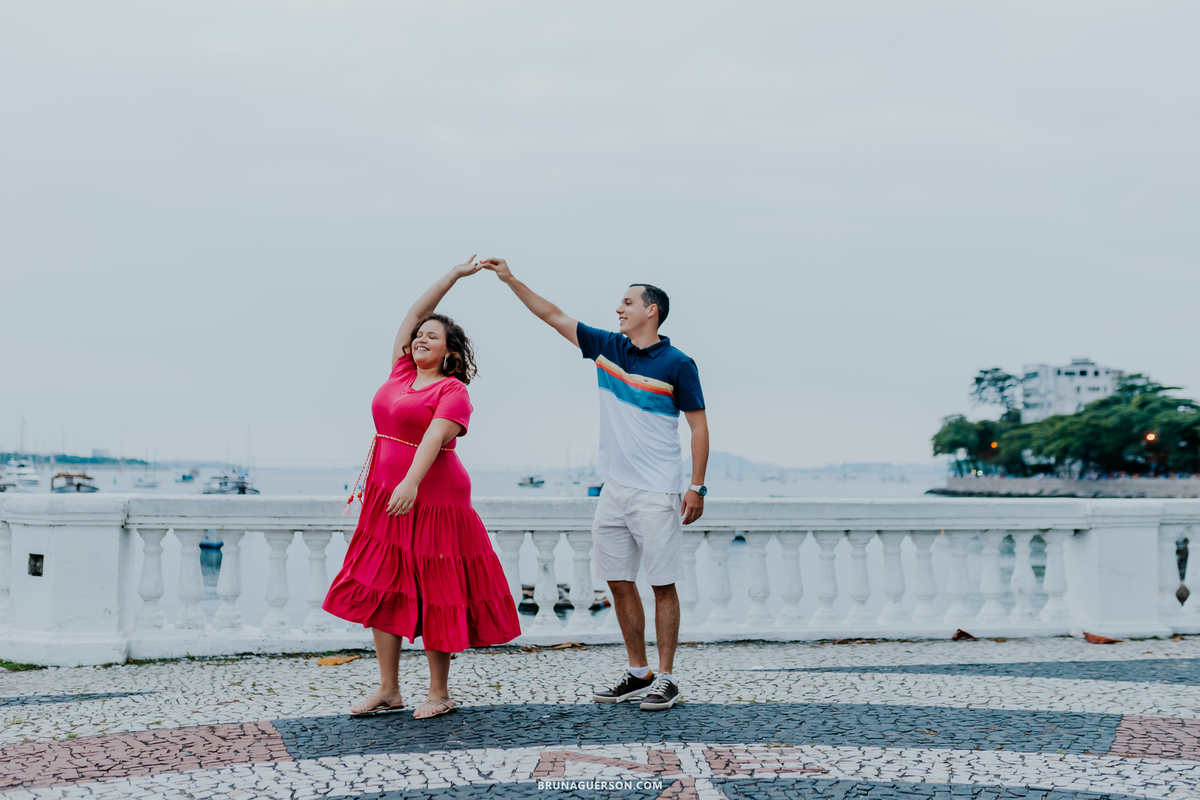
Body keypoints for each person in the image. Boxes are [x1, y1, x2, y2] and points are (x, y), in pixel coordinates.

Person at [480, 257, 708, 712]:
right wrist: (509, 279)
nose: (618, 309)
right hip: (614, 491)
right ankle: (638, 670)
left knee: (662, 584)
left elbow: (699, 428)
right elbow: (552, 315)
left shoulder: (678, 364)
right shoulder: (606, 348)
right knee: (619, 582)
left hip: (657, 491)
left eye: (627, 302)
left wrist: (696, 488)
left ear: (652, 311)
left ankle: (666, 677)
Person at [324, 256, 521, 720]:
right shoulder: (398, 375)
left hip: (434, 497)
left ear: (450, 351)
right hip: (385, 495)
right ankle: (389, 690)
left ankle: (438, 692)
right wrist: (453, 276)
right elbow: (412, 315)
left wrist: (411, 482)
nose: (419, 339)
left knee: (437, 589)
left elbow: (435, 437)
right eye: (418, 336)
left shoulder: (452, 390)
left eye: (432, 336)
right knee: (382, 584)